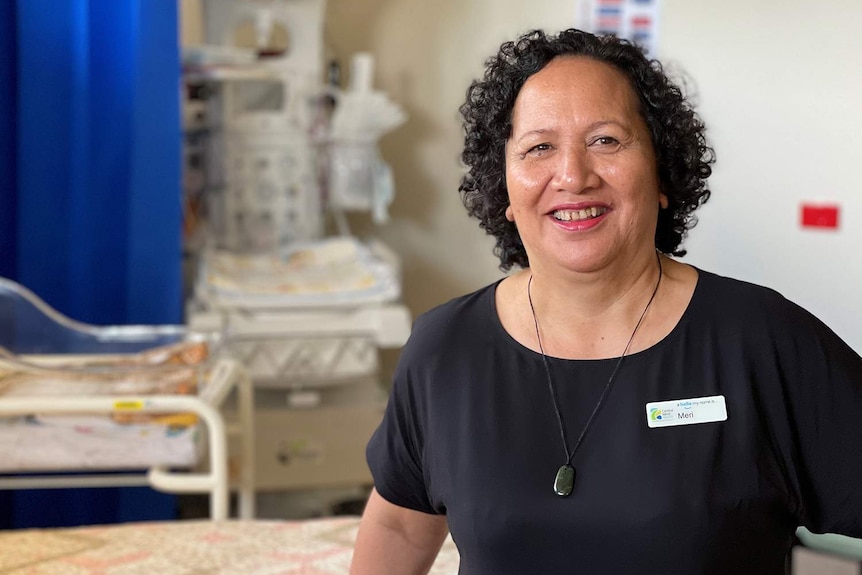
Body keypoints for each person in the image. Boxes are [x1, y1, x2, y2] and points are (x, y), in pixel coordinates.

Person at [350, 28, 862, 575]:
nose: (573, 175)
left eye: (607, 141)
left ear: (662, 172)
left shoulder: (762, 340)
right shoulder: (444, 348)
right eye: (539, 147)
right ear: (504, 188)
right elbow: (400, 522)